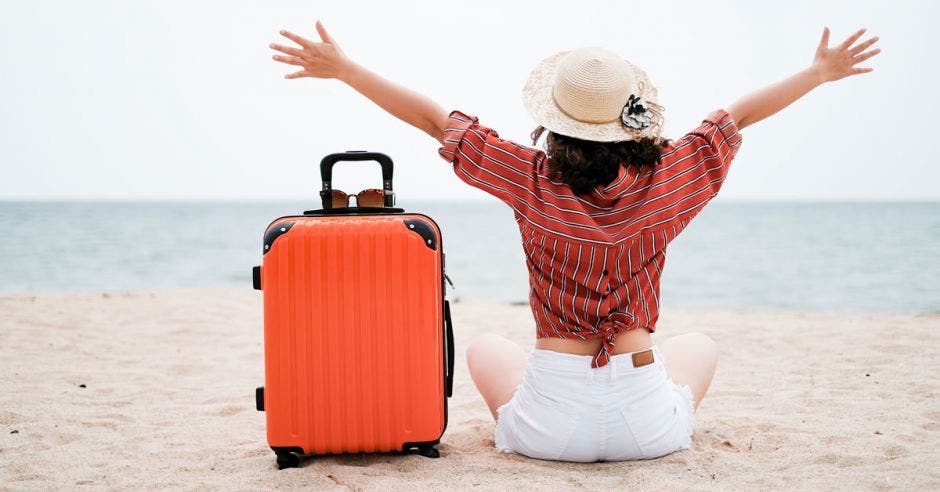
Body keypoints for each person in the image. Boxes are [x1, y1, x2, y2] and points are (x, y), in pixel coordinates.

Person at [270, 21, 880, 462]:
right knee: (699, 346)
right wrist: (818, 73)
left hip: (548, 429)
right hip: (648, 429)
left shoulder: (531, 179)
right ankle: (662, 413)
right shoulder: (671, 178)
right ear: (634, 116)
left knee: (485, 345)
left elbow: (436, 122)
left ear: (554, 125)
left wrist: (345, 70)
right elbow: (736, 117)